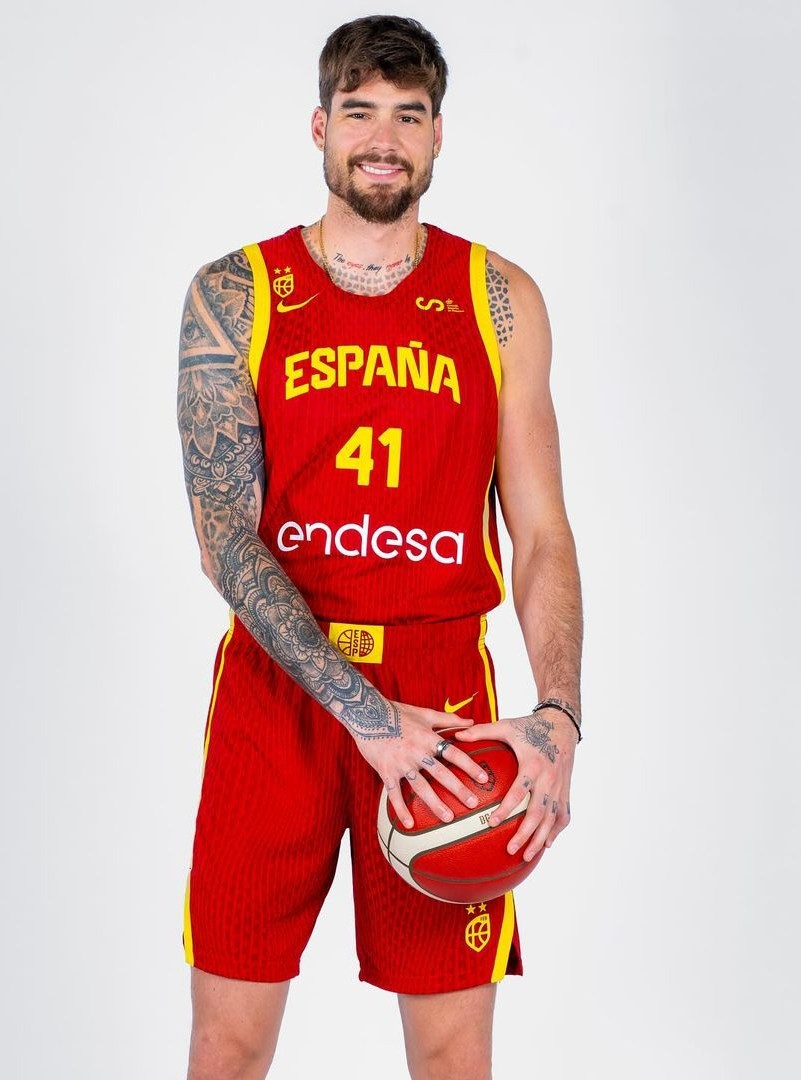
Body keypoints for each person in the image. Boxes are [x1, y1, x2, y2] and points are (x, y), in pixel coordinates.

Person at [177, 14, 583, 1079]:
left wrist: (558, 712)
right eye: (359, 111)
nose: (383, 138)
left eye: (409, 115)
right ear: (320, 126)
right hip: (282, 691)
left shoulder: (498, 298)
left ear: (438, 135)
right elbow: (224, 542)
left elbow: (541, 529)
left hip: (441, 695)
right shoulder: (235, 293)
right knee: (228, 1042)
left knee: (451, 1050)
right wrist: (364, 714)